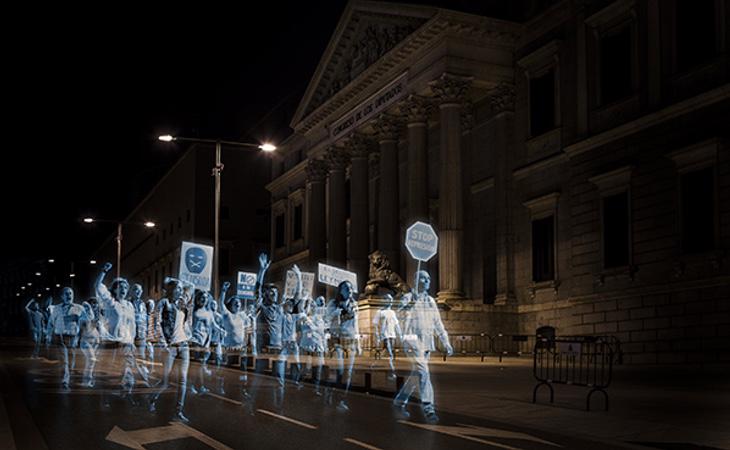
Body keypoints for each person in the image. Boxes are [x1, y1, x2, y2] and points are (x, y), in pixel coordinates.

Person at [393, 270, 453, 423]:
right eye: (423, 278)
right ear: (416, 281)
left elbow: (438, 323)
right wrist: (407, 304)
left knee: (417, 375)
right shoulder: (408, 297)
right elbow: (397, 313)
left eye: (429, 278)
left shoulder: (431, 301)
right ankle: (429, 408)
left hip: (426, 342)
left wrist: (446, 342)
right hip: (411, 340)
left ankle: (399, 402)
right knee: (423, 372)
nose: (427, 281)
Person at [95, 263, 148, 398]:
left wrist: (133, 341)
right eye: (120, 287)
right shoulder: (110, 302)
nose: (123, 289)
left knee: (127, 370)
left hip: (126, 343)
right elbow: (97, 286)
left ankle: (125, 394)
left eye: (125, 287)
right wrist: (104, 271)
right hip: (111, 342)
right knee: (110, 370)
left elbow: (132, 326)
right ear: (114, 289)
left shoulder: (129, 305)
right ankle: (105, 398)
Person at [151, 277, 193, 422]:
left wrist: (189, 336)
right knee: (165, 380)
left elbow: (191, 286)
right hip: (170, 346)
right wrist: (162, 343)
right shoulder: (163, 303)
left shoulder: (182, 304)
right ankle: (153, 398)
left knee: (183, 380)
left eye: (181, 288)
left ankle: (178, 411)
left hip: (183, 345)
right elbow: (155, 322)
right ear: (170, 289)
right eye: (177, 288)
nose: (180, 291)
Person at [326, 280, 361, 411]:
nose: (349, 290)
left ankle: (341, 399)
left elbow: (356, 324)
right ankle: (332, 391)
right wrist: (336, 312)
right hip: (337, 340)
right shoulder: (333, 304)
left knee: (348, 373)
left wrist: (359, 343)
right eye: (346, 288)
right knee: (340, 370)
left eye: (351, 288)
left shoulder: (354, 305)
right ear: (340, 290)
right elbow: (326, 318)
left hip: (350, 340)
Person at [45, 287, 84, 389]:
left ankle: (68, 376)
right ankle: (65, 381)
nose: (69, 295)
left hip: (73, 338)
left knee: (71, 362)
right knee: (64, 361)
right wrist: (48, 336)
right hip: (60, 337)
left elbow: (88, 320)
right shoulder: (56, 309)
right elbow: (50, 323)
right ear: (62, 296)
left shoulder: (79, 308)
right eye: (66, 294)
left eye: (70, 293)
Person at [190, 289, 224, 395]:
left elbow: (213, 325)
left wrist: (222, 330)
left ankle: (197, 386)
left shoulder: (209, 312)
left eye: (205, 298)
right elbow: (190, 325)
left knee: (201, 365)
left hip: (206, 342)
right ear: (197, 299)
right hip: (196, 341)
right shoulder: (193, 311)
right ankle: (196, 386)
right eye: (201, 298)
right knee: (198, 365)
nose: (203, 300)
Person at [299, 295, 328, 395]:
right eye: (319, 302)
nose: (321, 304)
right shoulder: (304, 318)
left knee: (317, 370)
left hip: (318, 347)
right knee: (305, 369)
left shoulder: (321, 319)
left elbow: (323, 334)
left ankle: (315, 389)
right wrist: (305, 298)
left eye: (323, 302)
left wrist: (325, 346)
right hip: (307, 346)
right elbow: (301, 310)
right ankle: (301, 385)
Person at [372, 293, 402, 378]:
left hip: (392, 334)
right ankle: (392, 371)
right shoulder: (380, 312)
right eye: (388, 299)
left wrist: (400, 334)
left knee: (388, 351)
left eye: (391, 299)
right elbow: (375, 324)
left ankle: (376, 363)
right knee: (389, 352)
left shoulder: (392, 312)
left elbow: (396, 324)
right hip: (385, 334)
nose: (390, 301)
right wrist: (377, 334)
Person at [78, 298, 101, 387]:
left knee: (91, 361)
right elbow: (83, 328)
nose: (94, 305)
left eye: (96, 303)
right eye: (92, 303)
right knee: (91, 360)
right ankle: (86, 381)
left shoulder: (99, 315)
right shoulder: (84, 315)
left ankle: (89, 380)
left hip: (96, 341)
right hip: (85, 340)